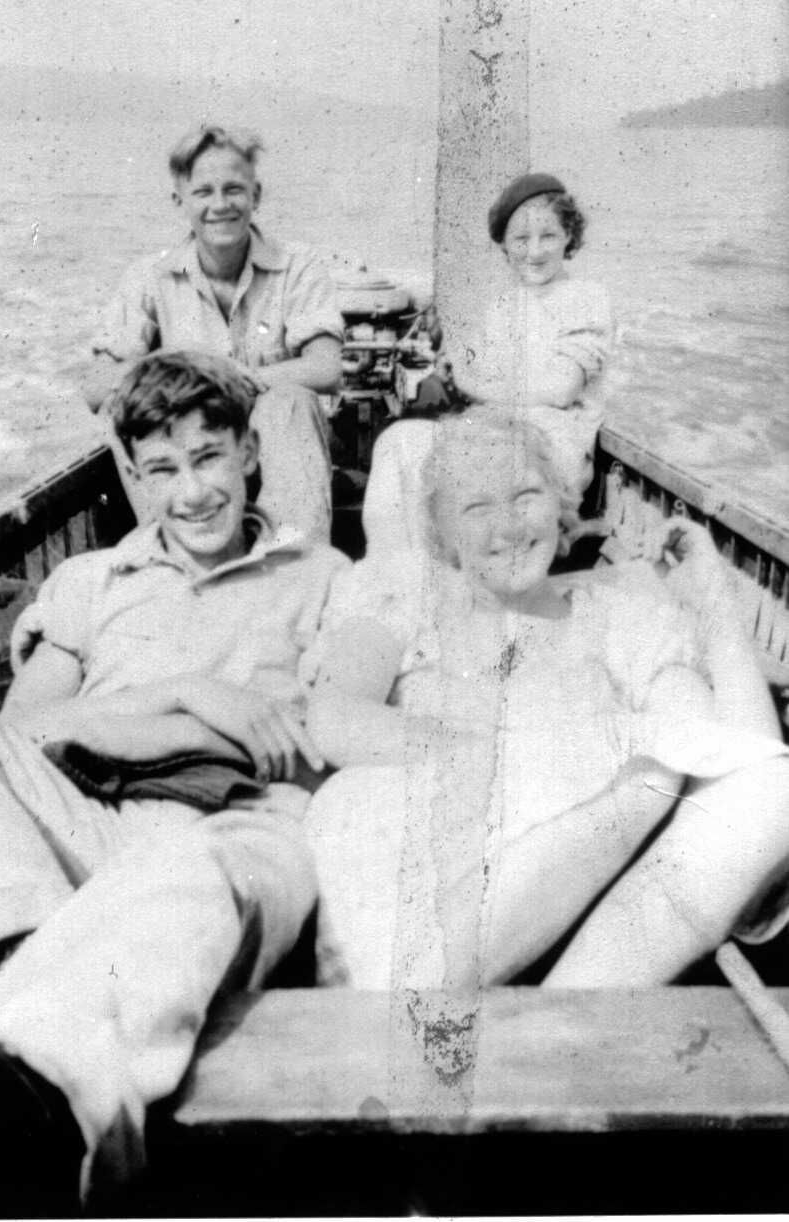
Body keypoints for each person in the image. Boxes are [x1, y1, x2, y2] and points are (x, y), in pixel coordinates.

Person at [0, 351, 347, 1216]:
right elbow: (27, 730)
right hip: (76, 821)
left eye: (208, 458)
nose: (190, 493)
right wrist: (187, 695)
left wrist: (115, 724)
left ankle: (15, 1079)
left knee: (207, 867)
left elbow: (318, 741)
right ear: (130, 476)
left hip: (224, 825)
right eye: (161, 470)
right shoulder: (91, 580)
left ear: (249, 453)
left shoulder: (322, 576)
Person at [302, 409, 789, 991]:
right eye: (476, 509)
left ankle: (558, 1011)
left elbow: (742, 765)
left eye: (526, 496)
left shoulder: (620, 620)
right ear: (444, 537)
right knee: (646, 774)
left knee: (737, 789)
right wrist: (502, 754)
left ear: (561, 508)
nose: (508, 527)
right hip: (427, 860)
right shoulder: (405, 603)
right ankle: (419, 993)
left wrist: (713, 601)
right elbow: (333, 717)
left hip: (571, 905)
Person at [84, 123, 344, 542]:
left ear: (256, 195)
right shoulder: (149, 277)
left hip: (278, 459)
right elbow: (97, 387)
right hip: (194, 461)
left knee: (291, 402)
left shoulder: (298, 266)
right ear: (180, 200)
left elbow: (326, 368)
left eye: (234, 190)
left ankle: (294, 560)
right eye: (204, 192)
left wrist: (243, 380)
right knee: (119, 409)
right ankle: (176, 552)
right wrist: (196, 374)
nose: (220, 205)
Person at [450, 172, 613, 498]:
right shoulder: (502, 307)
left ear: (569, 234)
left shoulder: (585, 298)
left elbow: (560, 391)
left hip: (553, 445)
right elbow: (476, 371)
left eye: (548, 236)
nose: (535, 252)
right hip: (497, 433)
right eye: (521, 239)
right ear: (505, 245)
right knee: (401, 444)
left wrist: (471, 383)